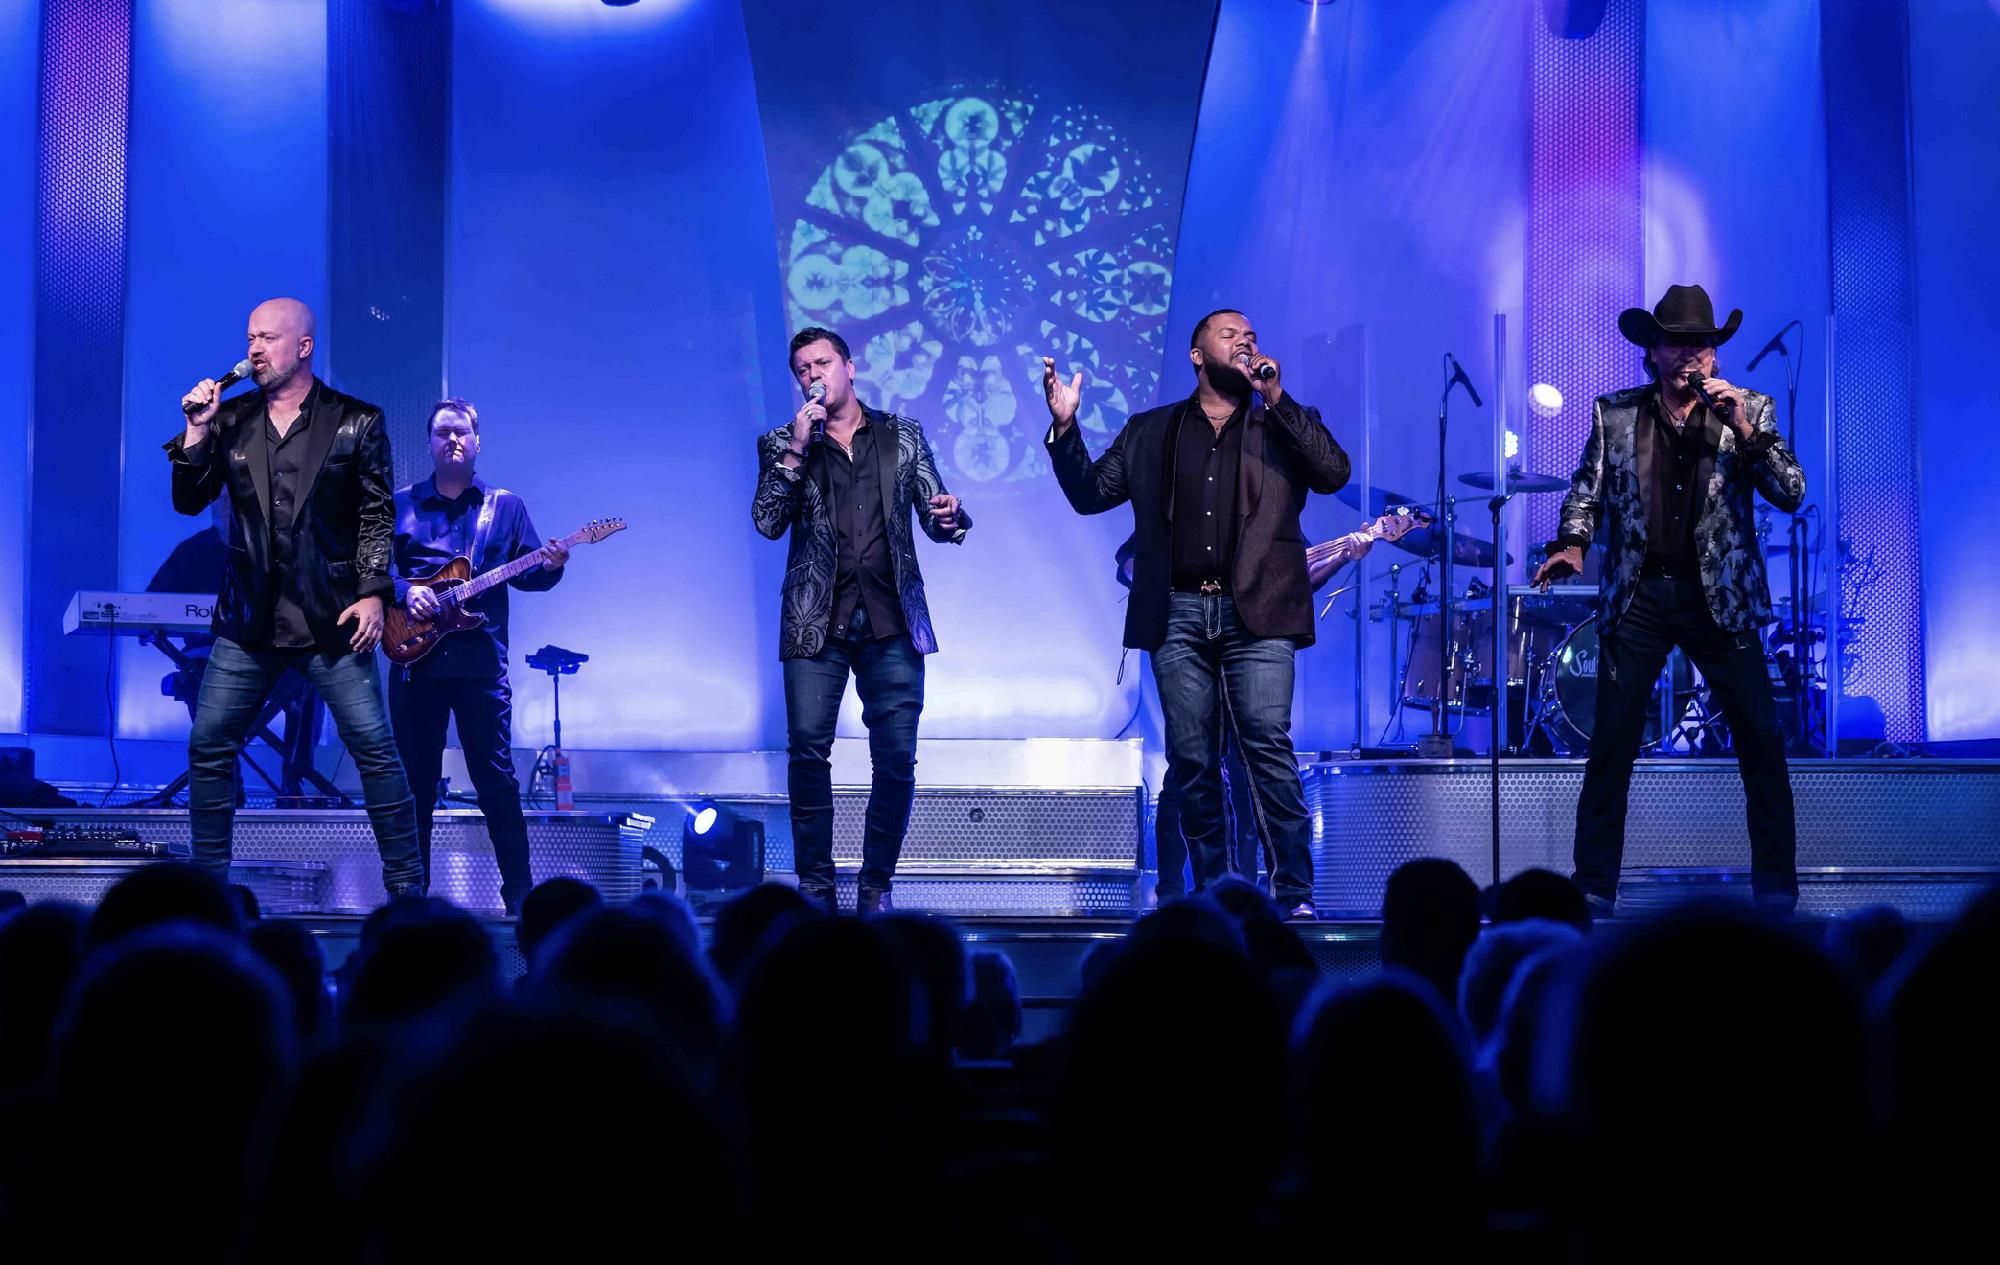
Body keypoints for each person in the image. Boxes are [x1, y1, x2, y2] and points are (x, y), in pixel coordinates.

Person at [1044, 310, 1351, 920]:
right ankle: (1216, 896)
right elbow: (1089, 495)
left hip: (1258, 610)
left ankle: (1293, 895)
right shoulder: (1151, 431)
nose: (1246, 342)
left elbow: (1334, 471)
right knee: (1192, 760)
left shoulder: (1283, 423)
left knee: (1267, 746)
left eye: (1252, 336)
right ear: (1196, 354)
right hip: (1178, 611)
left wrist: (1277, 396)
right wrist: (1065, 426)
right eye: (1230, 335)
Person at [1533, 284, 1806, 916]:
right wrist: (1573, 543)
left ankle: (1776, 892)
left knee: (1762, 742)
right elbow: (1586, 491)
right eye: (1678, 344)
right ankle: (1594, 888)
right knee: (1612, 744)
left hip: (1723, 600)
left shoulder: (1750, 410)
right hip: (1641, 595)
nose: (1693, 357)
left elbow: (1790, 492)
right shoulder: (1616, 414)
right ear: (1652, 351)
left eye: (1703, 345)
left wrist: (1742, 425)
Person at [168, 298, 423, 899]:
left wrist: (372, 593)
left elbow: (377, 514)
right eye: (250, 338)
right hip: (248, 621)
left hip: (331, 617)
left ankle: (409, 892)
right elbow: (187, 500)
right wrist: (197, 430)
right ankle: (210, 892)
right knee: (208, 747)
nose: (254, 349)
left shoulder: (355, 420)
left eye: (268, 338)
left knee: (376, 752)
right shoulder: (231, 420)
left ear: (302, 347)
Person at [752, 326, 970, 915]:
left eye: (822, 362)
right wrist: (798, 449)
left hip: (892, 618)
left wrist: (951, 518)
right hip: (813, 619)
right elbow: (768, 522)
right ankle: (817, 889)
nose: (813, 374)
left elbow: (937, 509)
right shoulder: (781, 442)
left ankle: (876, 883)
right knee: (806, 753)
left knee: (897, 759)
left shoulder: (903, 435)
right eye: (801, 368)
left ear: (850, 367)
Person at [391, 399, 568, 914]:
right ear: (429, 442)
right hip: (414, 661)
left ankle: (519, 898)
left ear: (476, 442)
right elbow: (373, 572)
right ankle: (409, 898)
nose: (452, 440)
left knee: (495, 779)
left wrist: (553, 564)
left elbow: (531, 575)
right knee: (415, 783)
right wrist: (405, 591)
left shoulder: (505, 508)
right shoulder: (400, 504)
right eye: (443, 432)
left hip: (480, 665)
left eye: (461, 432)